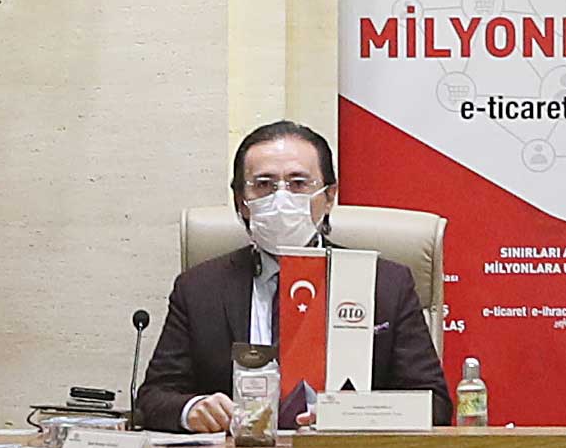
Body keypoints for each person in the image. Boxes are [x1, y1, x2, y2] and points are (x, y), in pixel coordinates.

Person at [135, 122, 454, 432]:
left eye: (298, 183)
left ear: (329, 197)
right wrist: (192, 410)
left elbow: (435, 404)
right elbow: (152, 399)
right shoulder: (199, 289)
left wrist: (351, 414)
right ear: (241, 202)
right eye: (263, 184)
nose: (281, 198)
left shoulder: (384, 284)